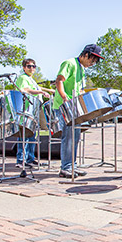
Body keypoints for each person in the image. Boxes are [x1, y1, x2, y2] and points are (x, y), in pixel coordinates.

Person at [53, 44, 103, 178]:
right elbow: (59, 80)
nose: (93, 63)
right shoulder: (69, 63)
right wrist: (64, 97)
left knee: (75, 137)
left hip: (75, 107)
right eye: (92, 60)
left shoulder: (82, 69)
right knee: (68, 137)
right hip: (64, 106)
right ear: (86, 54)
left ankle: (72, 165)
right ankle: (66, 167)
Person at [14, 58, 54, 168]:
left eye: (33, 66)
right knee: (24, 135)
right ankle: (21, 160)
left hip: (35, 109)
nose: (32, 68)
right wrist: (40, 92)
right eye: (29, 66)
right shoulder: (22, 78)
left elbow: (36, 87)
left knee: (32, 135)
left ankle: (30, 158)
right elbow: (24, 89)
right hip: (26, 110)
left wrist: (49, 90)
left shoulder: (31, 79)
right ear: (24, 68)